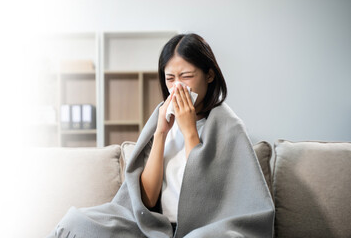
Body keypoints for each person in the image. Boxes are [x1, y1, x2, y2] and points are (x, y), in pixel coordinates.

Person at [48, 33, 274, 238]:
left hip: (207, 228)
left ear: (209, 75)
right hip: (157, 226)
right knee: (77, 223)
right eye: (170, 79)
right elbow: (146, 201)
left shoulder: (228, 125)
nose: (177, 87)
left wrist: (189, 131)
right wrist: (161, 133)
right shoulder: (161, 117)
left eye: (186, 76)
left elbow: (207, 199)